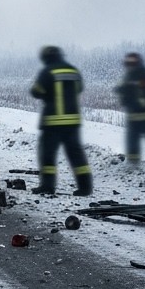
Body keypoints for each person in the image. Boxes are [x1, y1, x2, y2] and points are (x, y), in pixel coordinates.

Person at [30, 46, 92, 196]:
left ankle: (48, 186)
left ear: (46, 58)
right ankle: (85, 188)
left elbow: (36, 91)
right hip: (72, 121)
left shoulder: (47, 71)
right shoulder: (73, 70)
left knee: (48, 155)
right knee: (76, 155)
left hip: (53, 122)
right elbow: (79, 88)